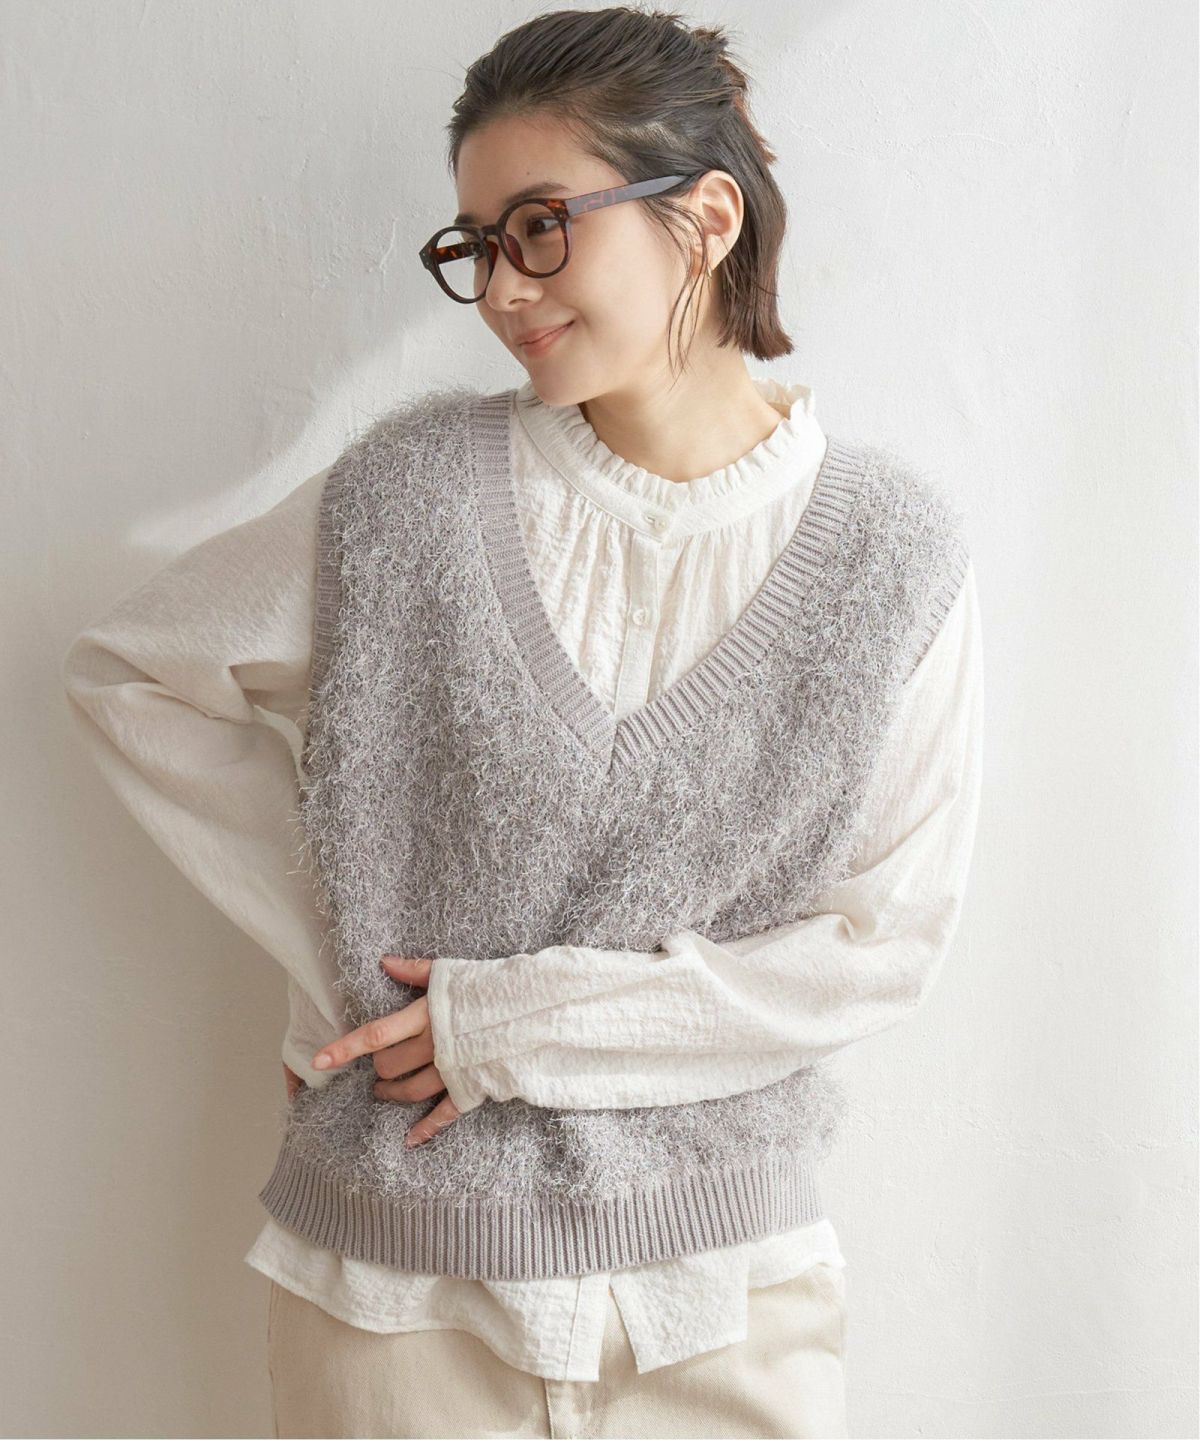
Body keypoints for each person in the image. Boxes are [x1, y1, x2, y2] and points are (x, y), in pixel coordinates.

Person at [61, 7, 983, 1438]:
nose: (500, 289)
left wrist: (505, 1023)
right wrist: (355, 965)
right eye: (477, 245)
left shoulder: (891, 556)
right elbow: (135, 676)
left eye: (541, 229)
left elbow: (881, 947)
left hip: (723, 1296)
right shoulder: (412, 497)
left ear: (707, 218)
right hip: (398, 1292)